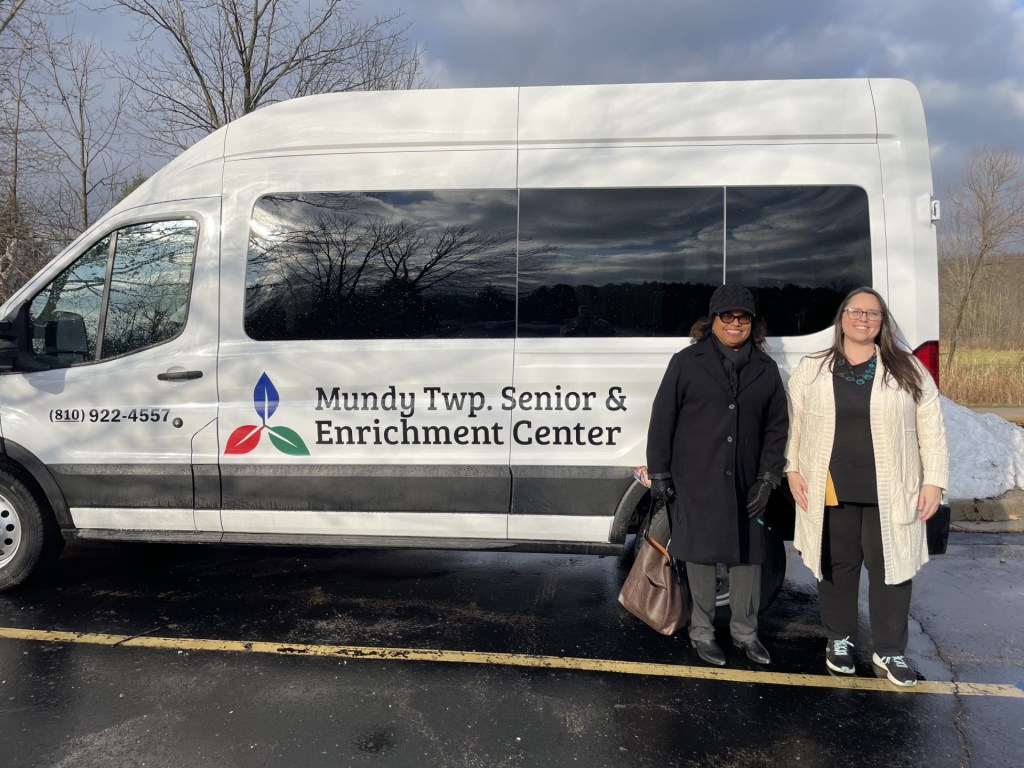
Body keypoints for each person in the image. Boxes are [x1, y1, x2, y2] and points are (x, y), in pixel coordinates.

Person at [785, 287, 948, 687]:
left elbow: (932, 429)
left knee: (892, 568)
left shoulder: (907, 369)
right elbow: (796, 424)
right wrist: (793, 469)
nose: (863, 319)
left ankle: (889, 649)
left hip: (893, 488)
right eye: (856, 311)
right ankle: (839, 639)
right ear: (842, 317)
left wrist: (934, 480)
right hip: (830, 486)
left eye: (873, 313)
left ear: (882, 322)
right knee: (837, 567)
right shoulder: (813, 368)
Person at [646, 285, 789, 667]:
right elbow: (662, 419)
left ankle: (746, 633)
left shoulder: (765, 368)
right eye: (727, 316)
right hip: (697, 476)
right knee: (701, 556)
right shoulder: (686, 362)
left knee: (749, 558)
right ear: (712, 321)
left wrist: (768, 478)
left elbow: (777, 428)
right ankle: (702, 633)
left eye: (743, 317)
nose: (735, 323)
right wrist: (659, 471)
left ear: (753, 323)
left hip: (747, 477)